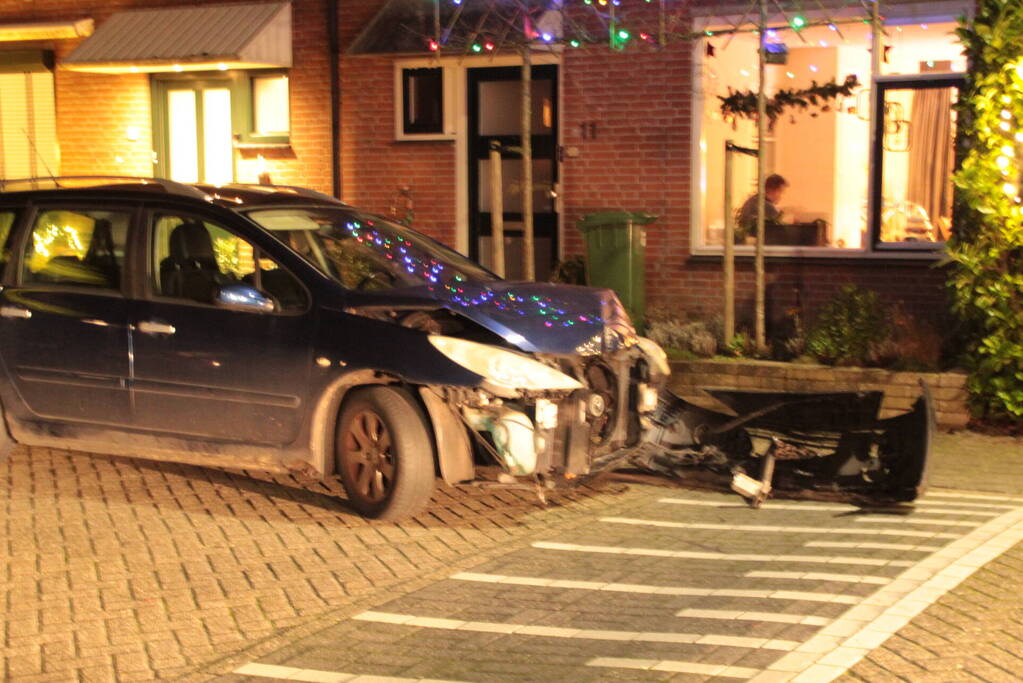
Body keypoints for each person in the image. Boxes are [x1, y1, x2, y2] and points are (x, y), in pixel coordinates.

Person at [736, 173, 788, 243]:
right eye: (780, 191)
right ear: (771, 189)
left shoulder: (753, 201)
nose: (781, 196)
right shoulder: (766, 206)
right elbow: (783, 229)